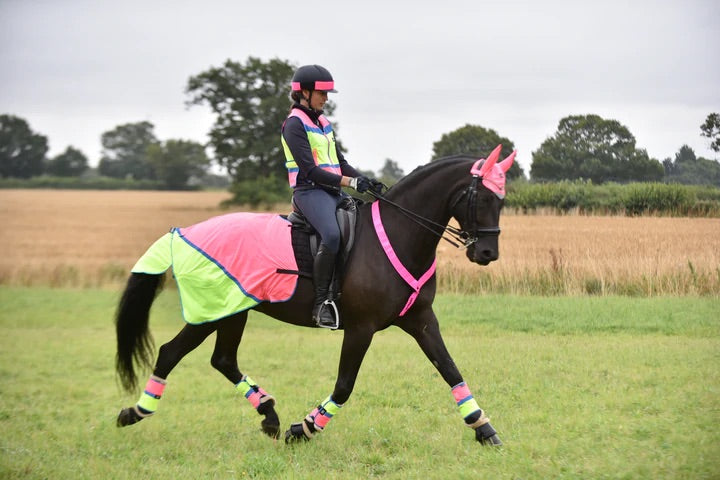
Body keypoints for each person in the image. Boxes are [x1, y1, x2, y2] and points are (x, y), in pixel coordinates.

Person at [281, 64, 381, 329]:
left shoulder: (323, 123)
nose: (326, 99)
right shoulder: (294, 124)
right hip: (309, 192)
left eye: (327, 94)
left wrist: (366, 181)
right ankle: (322, 302)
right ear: (304, 92)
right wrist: (349, 182)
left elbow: (340, 162)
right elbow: (311, 170)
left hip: (333, 192)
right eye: (321, 93)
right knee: (333, 235)